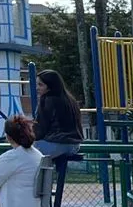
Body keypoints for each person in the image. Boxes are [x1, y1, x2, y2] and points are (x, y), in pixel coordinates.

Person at [33, 69, 95, 199]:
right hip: (74, 145)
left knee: (25, 153)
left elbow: (41, 129)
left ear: (50, 86)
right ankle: (44, 184)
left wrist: (30, 139)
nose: (37, 88)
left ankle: (34, 187)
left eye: (40, 85)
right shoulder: (70, 100)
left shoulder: (47, 100)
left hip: (56, 143)